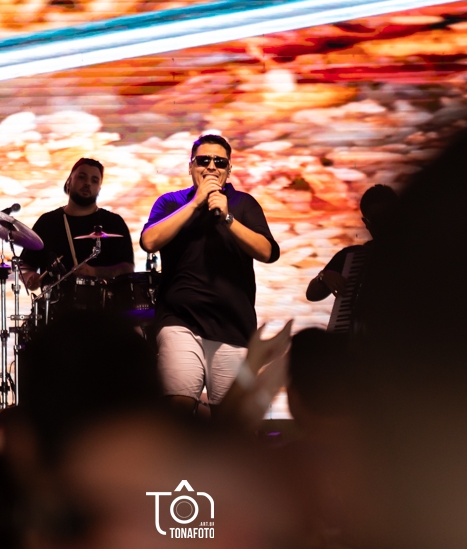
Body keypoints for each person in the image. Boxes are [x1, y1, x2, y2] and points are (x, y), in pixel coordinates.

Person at [140, 134, 280, 414]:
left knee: (230, 418)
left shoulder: (243, 203)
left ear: (229, 169)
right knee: (178, 407)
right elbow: (149, 241)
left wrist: (227, 218)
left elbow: (267, 252)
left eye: (220, 162)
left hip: (232, 324)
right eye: (204, 160)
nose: (212, 167)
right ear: (191, 166)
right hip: (179, 321)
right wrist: (195, 203)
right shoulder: (170, 202)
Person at [19, 158, 134, 294]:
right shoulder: (47, 222)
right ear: (69, 182)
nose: (87, 183)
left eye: (94, 180)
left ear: (99, 189)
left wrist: (94, 272)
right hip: (55, 304)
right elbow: (24, 264)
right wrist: (29, 277)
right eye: (81, 177)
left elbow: (127, 269)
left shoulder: (114, 222)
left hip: (104, 303)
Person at [306, 185, 396, 334]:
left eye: (388, 216)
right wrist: (323, 277)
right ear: (367, 223)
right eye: (377, 220)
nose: (384, 225)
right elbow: (312, 294)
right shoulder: (353, 257)